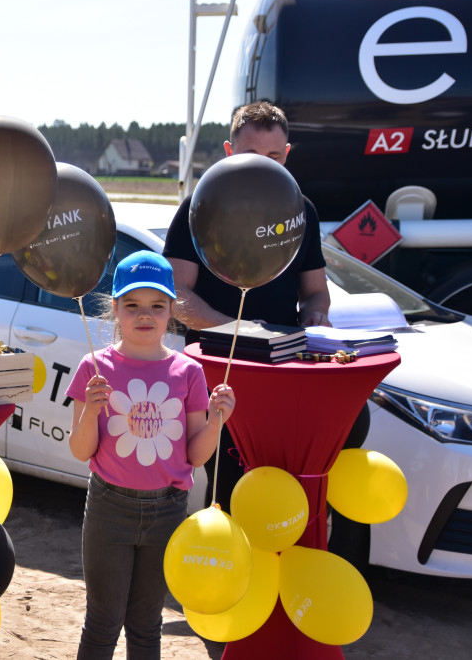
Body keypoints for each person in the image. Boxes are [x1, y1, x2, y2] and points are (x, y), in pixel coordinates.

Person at [162, 100, 337, 514]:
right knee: (227, 487)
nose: (263, 167)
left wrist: (316, 314)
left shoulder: (302, 211)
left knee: (280, 485)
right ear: (228, 151)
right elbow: (174, 295)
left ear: (287, 155)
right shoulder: (199, 207)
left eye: (274, 157)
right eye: (251, 155)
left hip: (282, 373)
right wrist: (238, 330)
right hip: (216, 372)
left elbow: (316, 291)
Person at [66, 251, 235, 660]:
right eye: (132, 305)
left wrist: (217, 421)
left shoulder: (189, 371)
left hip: (168, 511)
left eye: (157, 306)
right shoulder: (94, 366)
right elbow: (81, 450)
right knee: (103, 622)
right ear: (115, 309)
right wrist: (90, 410)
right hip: (109, 508)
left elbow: (196, 456)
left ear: (172, 310)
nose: (145, 315)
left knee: (146, 625)